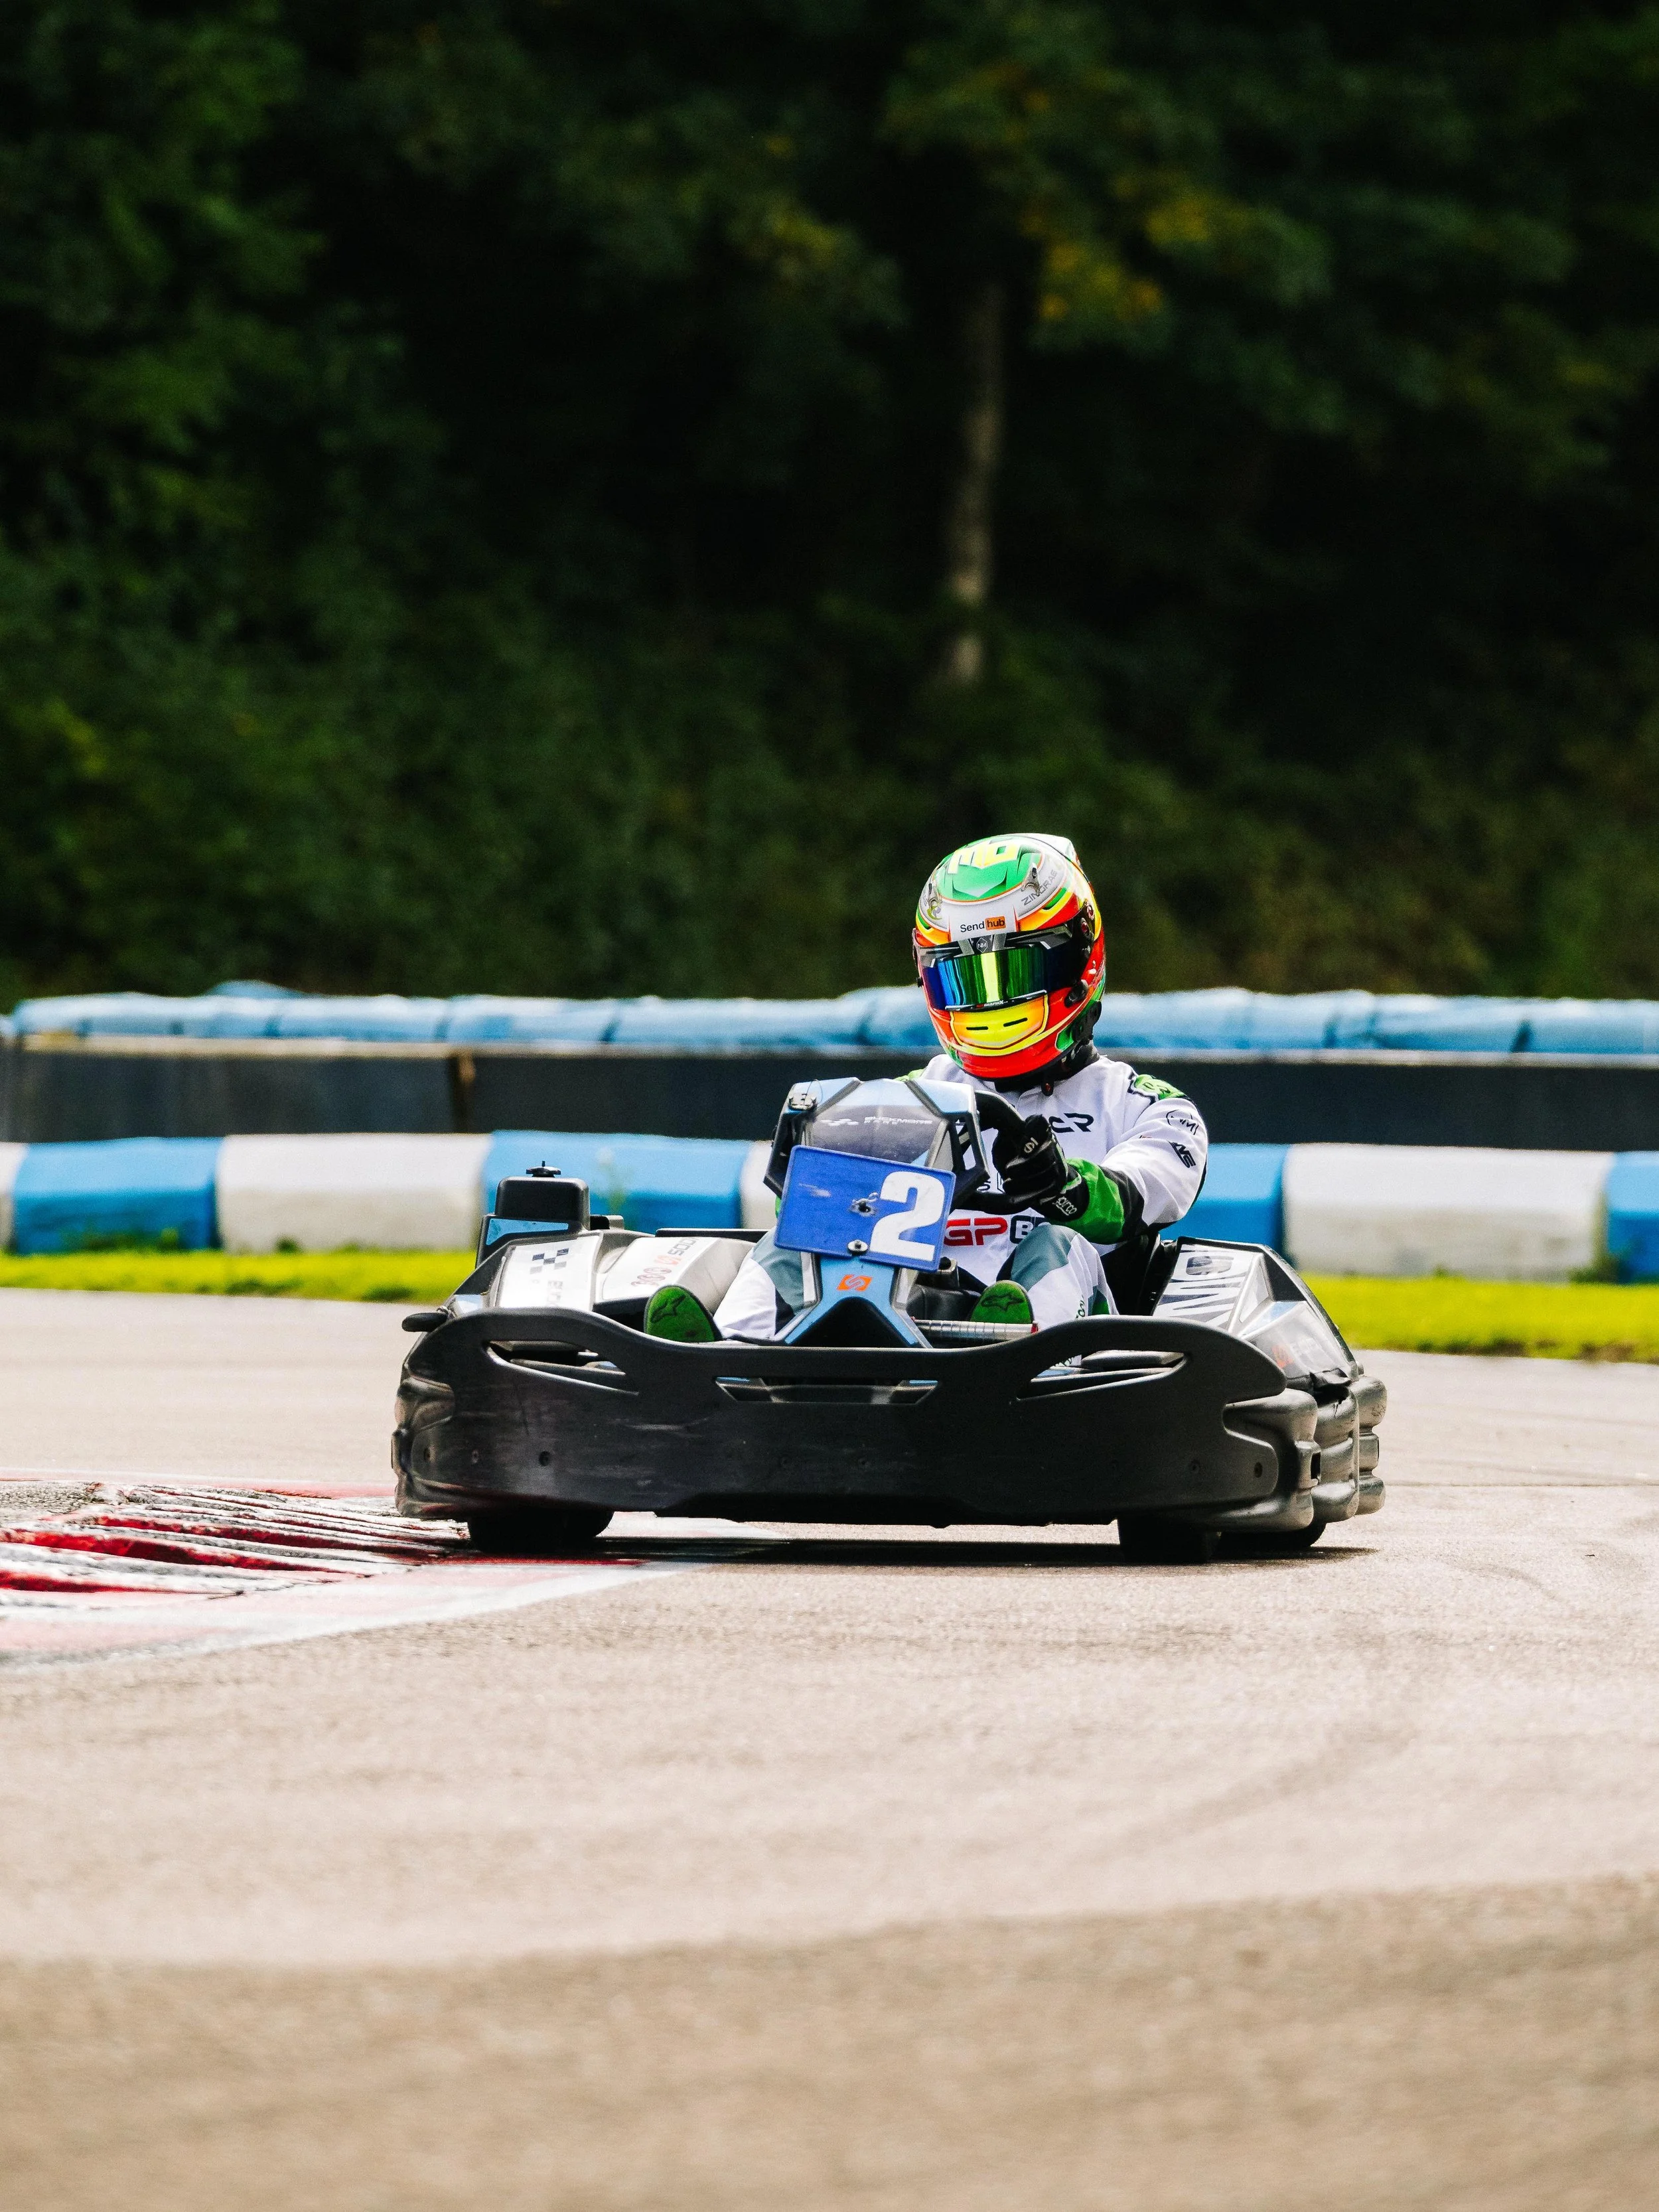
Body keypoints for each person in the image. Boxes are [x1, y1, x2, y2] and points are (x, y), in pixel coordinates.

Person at [646, 832, 1208, 1341]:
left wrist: (1067, 1185)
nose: (989, 1004)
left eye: (1012, 975)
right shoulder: (912, 1095)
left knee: (1056, 1245)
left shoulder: (1146, 1107)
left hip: (1069, 1330)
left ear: (1078, 958)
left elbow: (1134, 1197)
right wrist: (814, 1183)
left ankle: (1008, 1351)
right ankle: (727, 1358)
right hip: (915, 1307)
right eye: (964, 982)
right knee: (790, 1242)